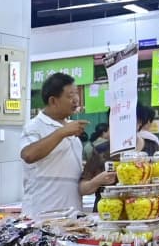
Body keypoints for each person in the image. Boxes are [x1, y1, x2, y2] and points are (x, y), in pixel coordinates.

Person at [20, 74, 116, 217]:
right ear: (53, 100)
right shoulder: (34, 126)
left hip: (72, 215)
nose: (76, 99)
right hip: (42, 215)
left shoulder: (71, 130)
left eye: (76, 93)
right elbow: (28, 154)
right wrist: (62, 132)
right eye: (70, 95)